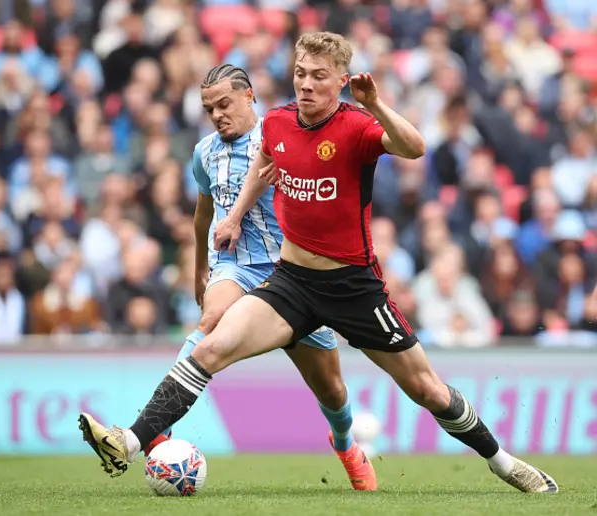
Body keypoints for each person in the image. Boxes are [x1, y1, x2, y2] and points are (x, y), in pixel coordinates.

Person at [79, 32, 558, 494]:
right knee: (208, 346)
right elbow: (261, 167)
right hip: (290, 283)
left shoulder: (356, 126)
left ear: (341, 81)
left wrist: (374, 103)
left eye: (318, 76)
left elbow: (414, 147)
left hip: (353, 288)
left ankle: (505, 463)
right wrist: (235, 217)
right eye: (300, 74)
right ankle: (130, 441)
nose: (306, 84)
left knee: (426, 391)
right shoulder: (279, 123)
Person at [81, 63, 377, 490]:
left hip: (293, 273)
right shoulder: (204, 153)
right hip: (235, 264)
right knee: (211, 320)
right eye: (209, 109)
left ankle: (346, 445)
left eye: (225, 104)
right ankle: (152, 431)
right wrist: (201, 269)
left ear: (249, 97)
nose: (218, 114)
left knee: (332, 391)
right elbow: (204, 213)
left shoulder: (285, 138)